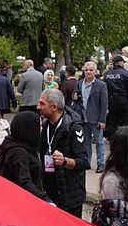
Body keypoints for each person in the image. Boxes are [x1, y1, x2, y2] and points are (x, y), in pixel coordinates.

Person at [37, 89, 89, 218]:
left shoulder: (73, 127)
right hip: (50, 191)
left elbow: (83, 162)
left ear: (54, 107)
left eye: (42, 104)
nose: (38, 107)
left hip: (70, 195)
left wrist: (64, 161)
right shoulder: (46, 123)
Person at [76, 62, 108, 173]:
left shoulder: (101, 85)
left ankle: (101, 163)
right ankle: (87, 162)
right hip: (83, 118)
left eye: (90, 70)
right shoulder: (80, 83)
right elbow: (76, 96)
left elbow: (104, 104)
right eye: (86, 70)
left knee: (99, 142)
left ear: (95, 71)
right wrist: (75, 96)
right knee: (86, 142)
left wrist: (102, 120)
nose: (88, 72)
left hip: (96, 119)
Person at [103, 56, 128, 141]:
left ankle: (113, 141)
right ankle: (126, 141)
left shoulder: (107, 75)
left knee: (112, 123)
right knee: (126, 123)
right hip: (123, 101)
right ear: (121, 63)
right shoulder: (125, 74)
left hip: (111, 102)